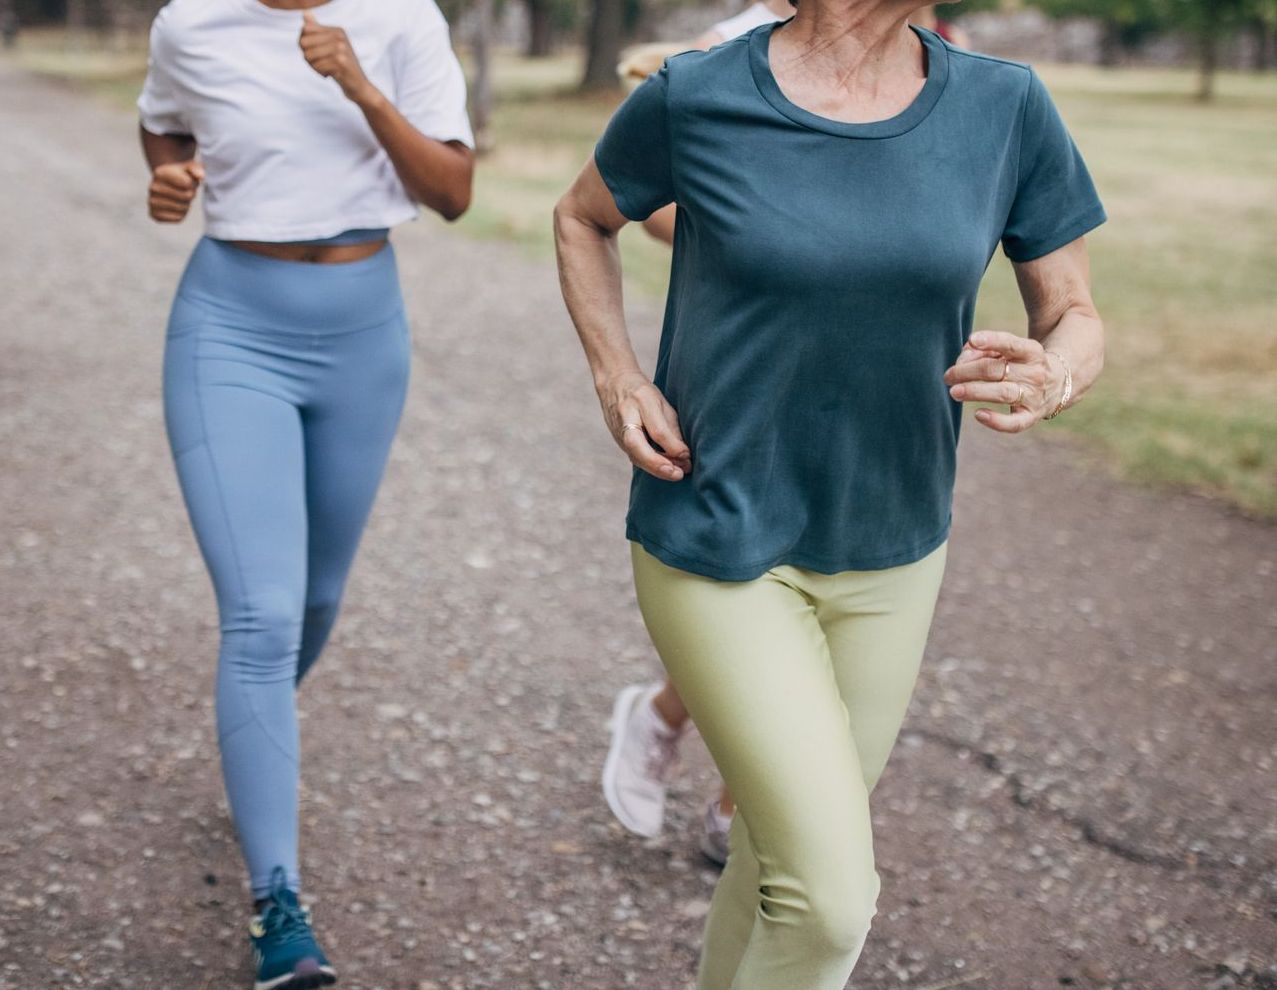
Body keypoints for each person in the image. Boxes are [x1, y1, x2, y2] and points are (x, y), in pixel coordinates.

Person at [554, 0, 1106, 983]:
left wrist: (1053, 369)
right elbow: (582, 216)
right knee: (829, 905)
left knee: (776, 864)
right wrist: (616, 374)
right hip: (716, 532)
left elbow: (1071, 310)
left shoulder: (1003, 104)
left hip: (894, 550)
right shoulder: (698, 94)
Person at [138, 0, 473, 986]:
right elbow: (163, 119)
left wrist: (361, 84)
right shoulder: (188, 23)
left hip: (364, 329)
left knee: (317, 597)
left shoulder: (402, 18)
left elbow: (453, 191)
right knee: (263, 615)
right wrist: (164, 174)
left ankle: (254, 739)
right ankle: (277, 906)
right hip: (230, 326)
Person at [603, 0, 794, 868]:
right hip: (744, 378)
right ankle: (706, 766)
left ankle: (708, 766)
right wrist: (785, 232)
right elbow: (649, 210)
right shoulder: (725, 51)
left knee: (828, 604)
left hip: (874, 389)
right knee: (749, 585)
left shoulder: (941, 60)